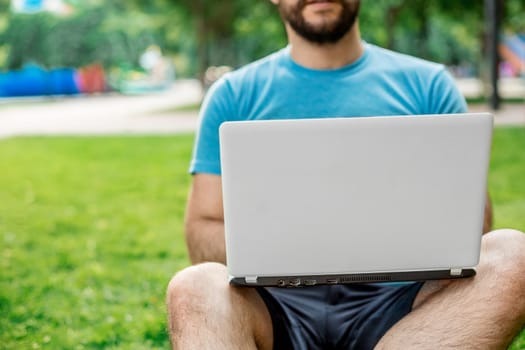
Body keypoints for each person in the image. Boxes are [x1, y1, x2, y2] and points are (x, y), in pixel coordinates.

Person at [166, 0, 525, 348]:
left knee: (514, 253)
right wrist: (288, 247)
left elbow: (474, 225)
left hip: (409, 311)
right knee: (195, 285)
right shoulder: (232, 95)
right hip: (273, 309)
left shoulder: (429, 85)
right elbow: (202, 229)